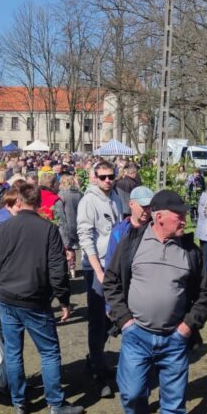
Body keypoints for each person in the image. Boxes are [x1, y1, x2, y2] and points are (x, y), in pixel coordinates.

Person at [104, 190, 207, 414]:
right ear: (159, 216)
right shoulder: (132, 242)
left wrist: (187, 327)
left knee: (174, 406)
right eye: (179, 215)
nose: (185, 220)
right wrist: (125, 321)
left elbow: (206, 292)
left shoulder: (191, 251)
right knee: (132, 395)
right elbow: (111, 282)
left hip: (174, 341)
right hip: (136, 337)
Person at [0, 184, 84, 414]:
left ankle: (19, 401)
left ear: (18, 201)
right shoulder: (48, 229)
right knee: (48, 351)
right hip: (34, 300)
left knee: (13, 351)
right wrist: (64, 300)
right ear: (39, 203)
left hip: (7, 298)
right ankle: (55, 403)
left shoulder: (4, 228)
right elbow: (58, 270)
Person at [93, 185, 155, 399]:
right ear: (131, 205)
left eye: (150, 206)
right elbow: (111, 267)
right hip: (123, 296)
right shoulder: (120, 231)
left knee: (140, 344)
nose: (147, 210)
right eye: (143, 206)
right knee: (109, 334)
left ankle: (138, 387)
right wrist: (110, 304)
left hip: (145, 299)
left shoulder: (155, 230)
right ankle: (99, 369)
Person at [77, 160, 124, 380]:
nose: (107, 180)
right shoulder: (88, 201)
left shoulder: (115, 197)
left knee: (112, 315)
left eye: (110, 176)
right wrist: (98, 270)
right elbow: (85, 237)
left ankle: (96, 356)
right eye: (103, 177)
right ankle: (97, 366)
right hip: (97, 266)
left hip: (114, 264)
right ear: (95, 177)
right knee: (97, 317)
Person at [53, 174, 82, 277]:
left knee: (67, 247)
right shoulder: (79, 194)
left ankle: (69, 268)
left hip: (67, 223)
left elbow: (60, 214)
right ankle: (73, 268)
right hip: (77, 224)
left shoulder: (60, 195)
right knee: (73, 248)